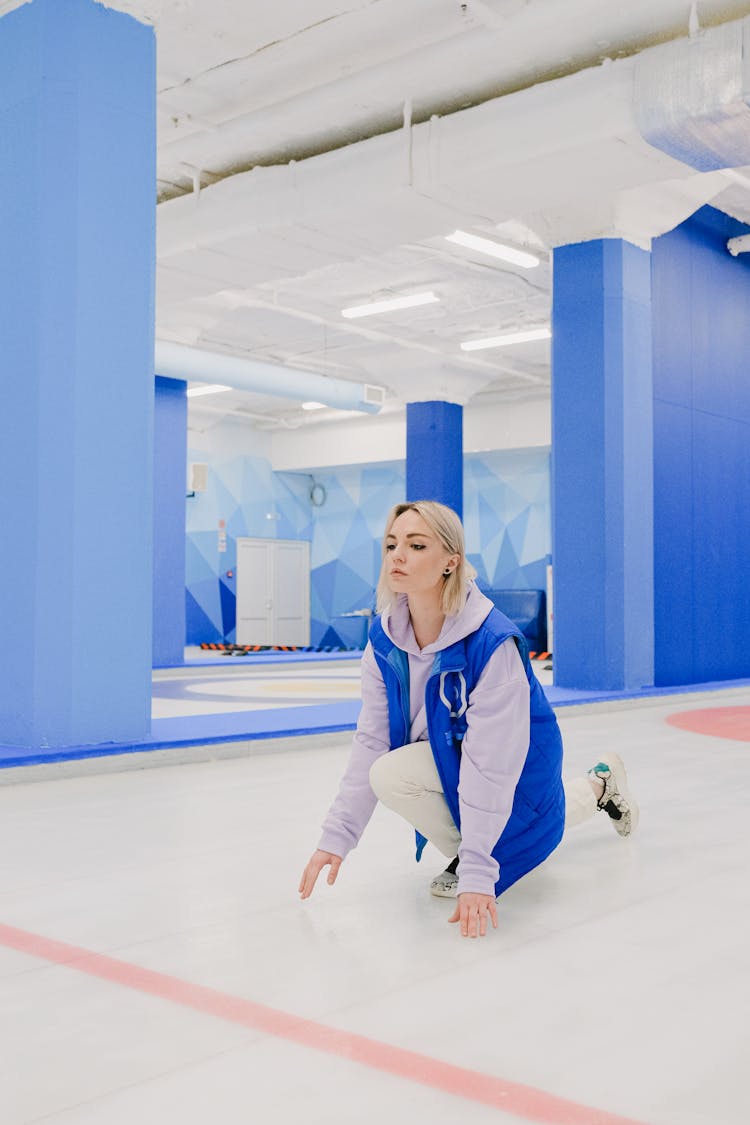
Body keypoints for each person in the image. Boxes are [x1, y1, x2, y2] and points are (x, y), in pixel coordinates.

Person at [299, 500, 638, 939]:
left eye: (416, 545)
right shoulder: (384, 638)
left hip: (518, 761)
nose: (397, 556)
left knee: (534, 815)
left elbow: (490, 764)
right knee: (391, 771)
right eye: (391, 544)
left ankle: (493, 844)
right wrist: (336, 837)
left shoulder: (491, 642)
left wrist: (478, 871)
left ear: (449, 563)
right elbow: (371, 740)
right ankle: (601, 784)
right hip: (451, 759)